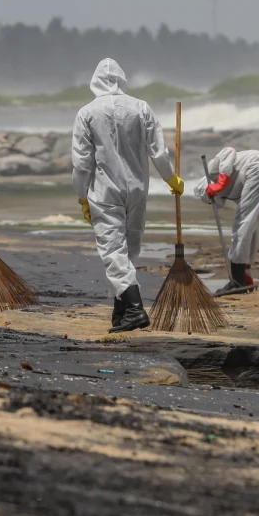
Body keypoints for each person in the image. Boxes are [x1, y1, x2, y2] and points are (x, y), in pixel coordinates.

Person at [72, 58, 184, 333]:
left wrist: (82, 196)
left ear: (95, 82)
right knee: (129, 250)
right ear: (122, 79)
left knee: (113, 250)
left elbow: (82, 162)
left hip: (105, 189)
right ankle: (120, 310)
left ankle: (134, 309)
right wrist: (171, 178)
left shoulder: (87, 113)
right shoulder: (141, 107)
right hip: (136, 188)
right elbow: (158, 151)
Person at [196, 148, 259, 295]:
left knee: (242, 221)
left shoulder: (212, 173)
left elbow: (227, 152)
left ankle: (236, 282)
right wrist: (247, 270)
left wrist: (220, 183)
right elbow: (252, 227)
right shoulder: (235, 189)